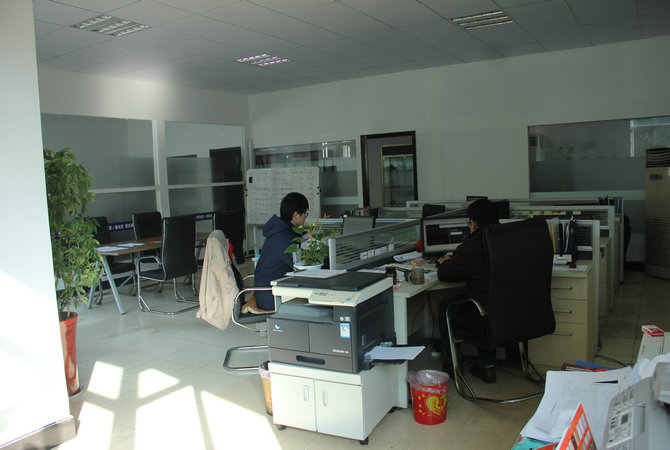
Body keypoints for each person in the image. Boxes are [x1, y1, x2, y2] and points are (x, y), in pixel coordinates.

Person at [436, 199, 500, 383]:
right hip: (510, 313)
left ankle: (455, 368)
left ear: (473, 223)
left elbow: (446, 275)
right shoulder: (508, 240)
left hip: (482, 318)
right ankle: (488, 367)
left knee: (446, 306)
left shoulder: (472, 246)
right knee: (485, 301)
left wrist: (445, 262)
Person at [242, 192, 309, 314]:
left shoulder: (281, 232)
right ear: (296, 215)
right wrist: (327, 260)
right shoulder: (283, 238)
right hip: (270, 297)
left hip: (270, 290)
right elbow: (301, 265)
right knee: (316, 299)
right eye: (305, 214)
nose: (305, 217)